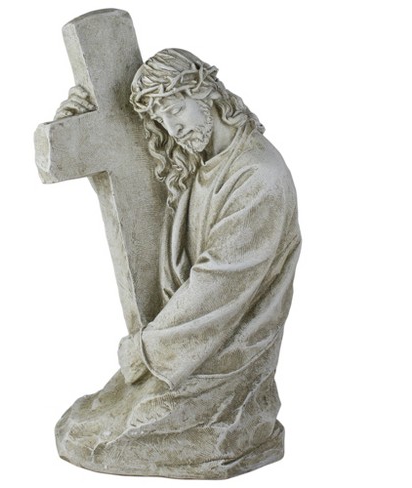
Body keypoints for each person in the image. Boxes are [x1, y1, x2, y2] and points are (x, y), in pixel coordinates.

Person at [55, 49, 301, 479]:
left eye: (174, 108)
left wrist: (145, 350)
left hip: (227, 357)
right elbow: (134, 185)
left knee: (113, 431)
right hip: (183, 345)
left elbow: (217, 288)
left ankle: (236, 432)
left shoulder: (258, 177)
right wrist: (76, 134)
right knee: (88, 423)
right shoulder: (198, 159)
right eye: (161, 118)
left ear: (205, 91)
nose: (172, 127)